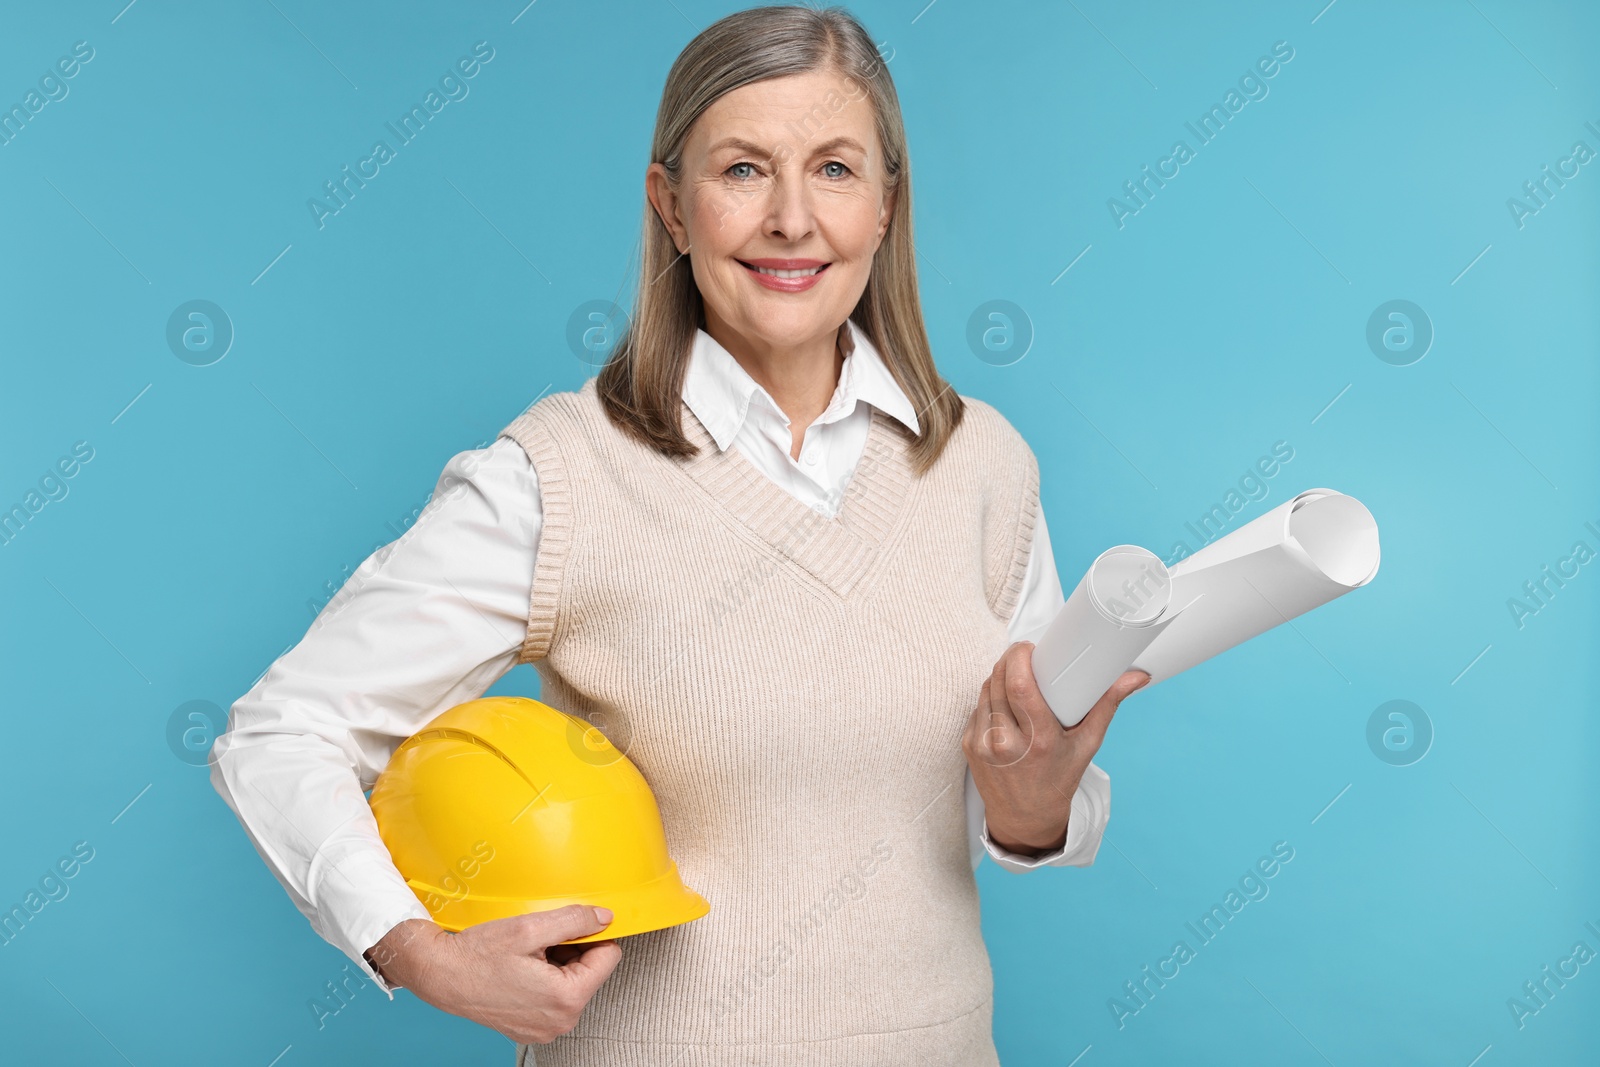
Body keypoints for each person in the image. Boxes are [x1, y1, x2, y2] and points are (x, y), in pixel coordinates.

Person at [209, 5, 1149, 1064]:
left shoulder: (986, 464)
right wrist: (415, 948)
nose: (793, 219)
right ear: (672, 207)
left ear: (887, 205)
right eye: (743, 169)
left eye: (835, 170)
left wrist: (1034, 807)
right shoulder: (561, 476)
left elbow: (1015, 810)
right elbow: (283, 728)